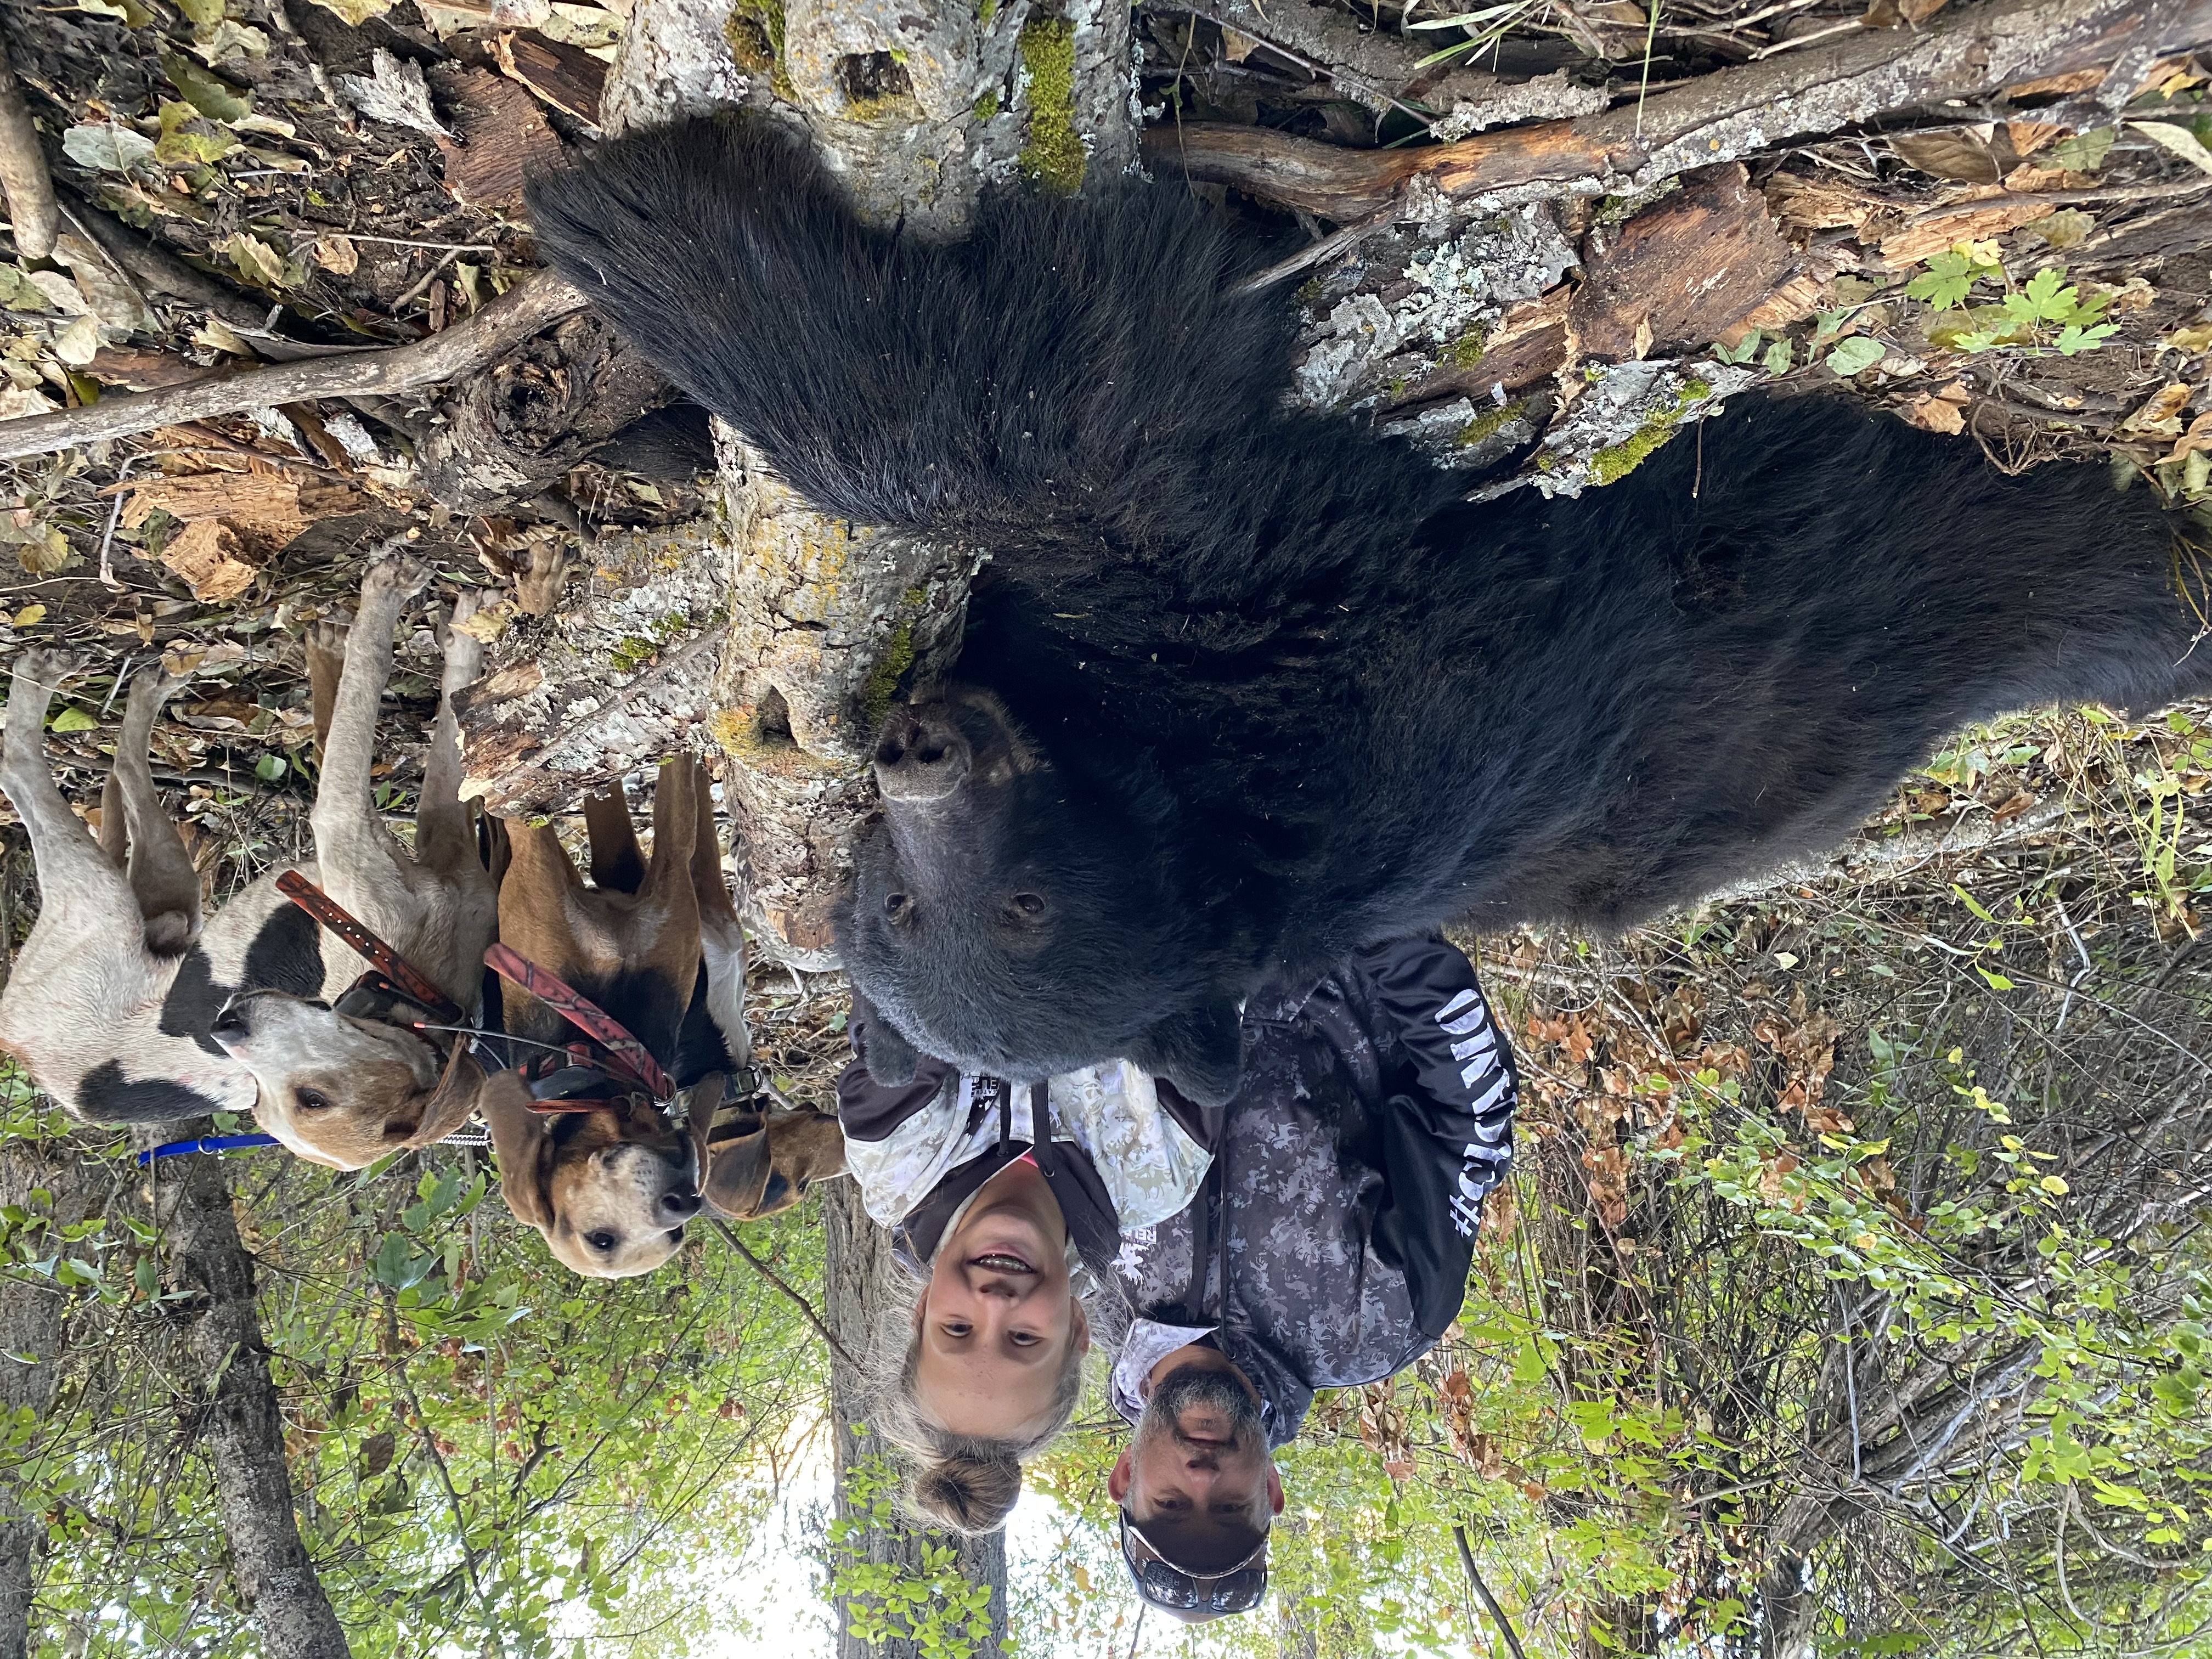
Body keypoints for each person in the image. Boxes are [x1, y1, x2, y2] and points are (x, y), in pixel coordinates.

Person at [1108, 935, 1518, 1622]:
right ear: (1270, 1490)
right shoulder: (1379, 1325)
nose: (1203, 1478)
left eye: (1172, 1503)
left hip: (1137, 921)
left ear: (1125, 1478)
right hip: (1323, 912)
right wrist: (1385, 925)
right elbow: (1471, 1124)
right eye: (1229, 1507)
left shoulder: (1072, 1295)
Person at [836, 1007, 1214, 1533]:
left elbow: (909, 984)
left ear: (922, 1309)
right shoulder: (1159, 1172)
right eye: (1023, 1338)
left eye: (957, 1328)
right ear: (1077, 1328)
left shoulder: (894, 1161)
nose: (995, 1304)